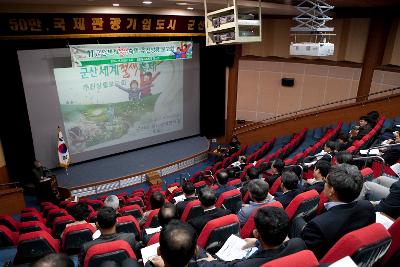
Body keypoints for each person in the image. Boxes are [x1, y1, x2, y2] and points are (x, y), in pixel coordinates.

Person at [294, 164, 375, 259]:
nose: (324, 183)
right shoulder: (368, 206)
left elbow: (309, 258)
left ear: (332, 190)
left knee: (297, 221)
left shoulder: (317, 226)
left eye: (326, 182)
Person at [197, 207, 307, 267]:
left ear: (256, 233)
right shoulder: (298, 243)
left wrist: (209, 261)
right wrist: (257, 242)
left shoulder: (246, 265)